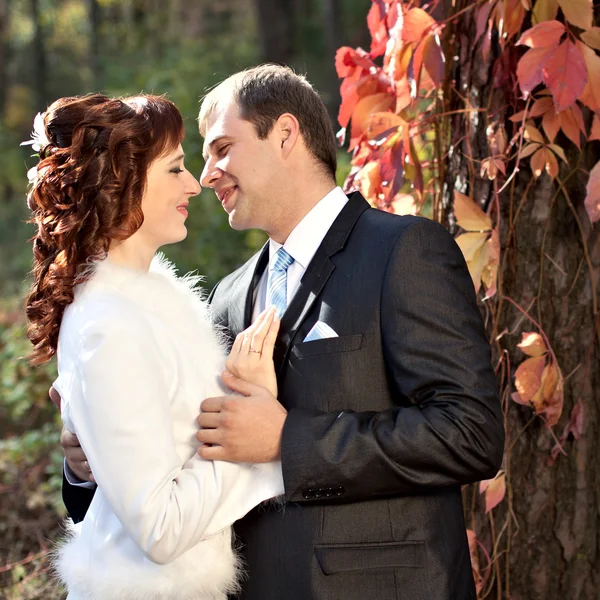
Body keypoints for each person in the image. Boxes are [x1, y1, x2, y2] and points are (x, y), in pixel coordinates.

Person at [60, 66, 505, 599]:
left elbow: (471, 433)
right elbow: (177, 469)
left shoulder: (404, 251)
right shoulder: (225, 297)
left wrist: (286, 442)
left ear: (286, 134)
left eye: (222, 148)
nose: (207, 176)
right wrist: (88, 465)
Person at [25, 93, 286, 600]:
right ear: (122, 183)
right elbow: (159, 529)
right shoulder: (108, 324)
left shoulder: (148, 304)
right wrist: (247, 433)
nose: (194, 184)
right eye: (175, 169)